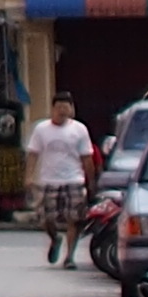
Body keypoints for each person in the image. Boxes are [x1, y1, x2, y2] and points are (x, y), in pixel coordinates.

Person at [26, 94, 97, 262]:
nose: (62, 111)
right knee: (46, 218)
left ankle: (69, 256)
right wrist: (28, 176)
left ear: (71, 109)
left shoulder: (79, 129)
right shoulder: (41, 129)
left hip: (74, 179)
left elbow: (87, 157)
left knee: (74, 219)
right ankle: (54, 238)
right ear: (52, 109)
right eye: (59, 108)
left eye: (66, 107)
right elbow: (33, 154)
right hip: (48, 180)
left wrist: (91, 181)